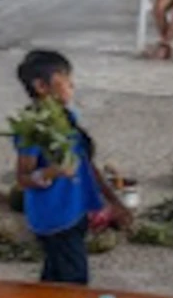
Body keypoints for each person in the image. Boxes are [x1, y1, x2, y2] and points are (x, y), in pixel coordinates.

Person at [14, 51, 132, 285]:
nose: (72, 86)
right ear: (41, 86)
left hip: (76, 210)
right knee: (74, 281)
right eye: (66, 81)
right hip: (55, 218)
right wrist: (52, 172)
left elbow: (86, 163)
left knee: (57, 275)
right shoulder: (31, 129)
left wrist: (113, 201)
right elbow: (23, 177)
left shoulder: (67, 117)